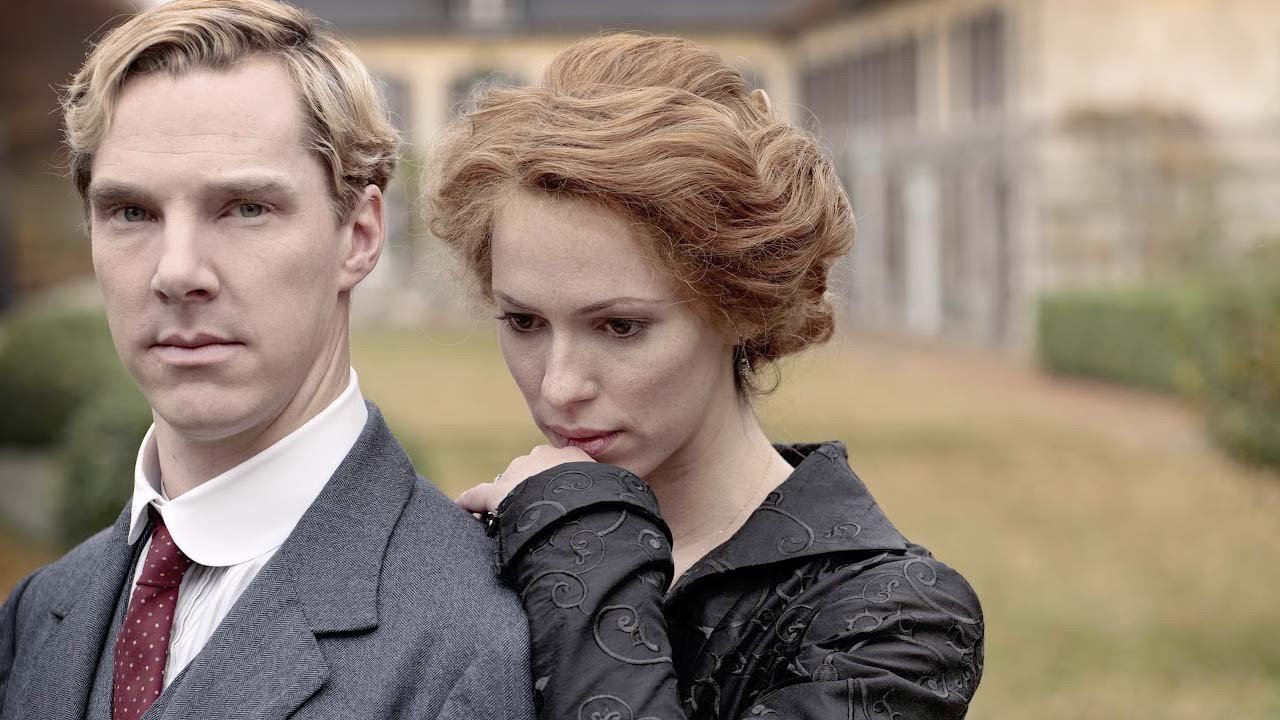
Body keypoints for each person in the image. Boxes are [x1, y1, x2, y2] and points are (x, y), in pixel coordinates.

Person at [0, 2, 534, 718]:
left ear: (359, 235)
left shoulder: (480, 642)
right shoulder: (39, 614)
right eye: (132, 212)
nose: (177, 271)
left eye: (245, 207)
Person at [430, 33, 985, 719]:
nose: (558, 387)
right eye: (523, 322)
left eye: (620, 326)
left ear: (740, 306)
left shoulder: (894, 623)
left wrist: (581, 547)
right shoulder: (477, 552)